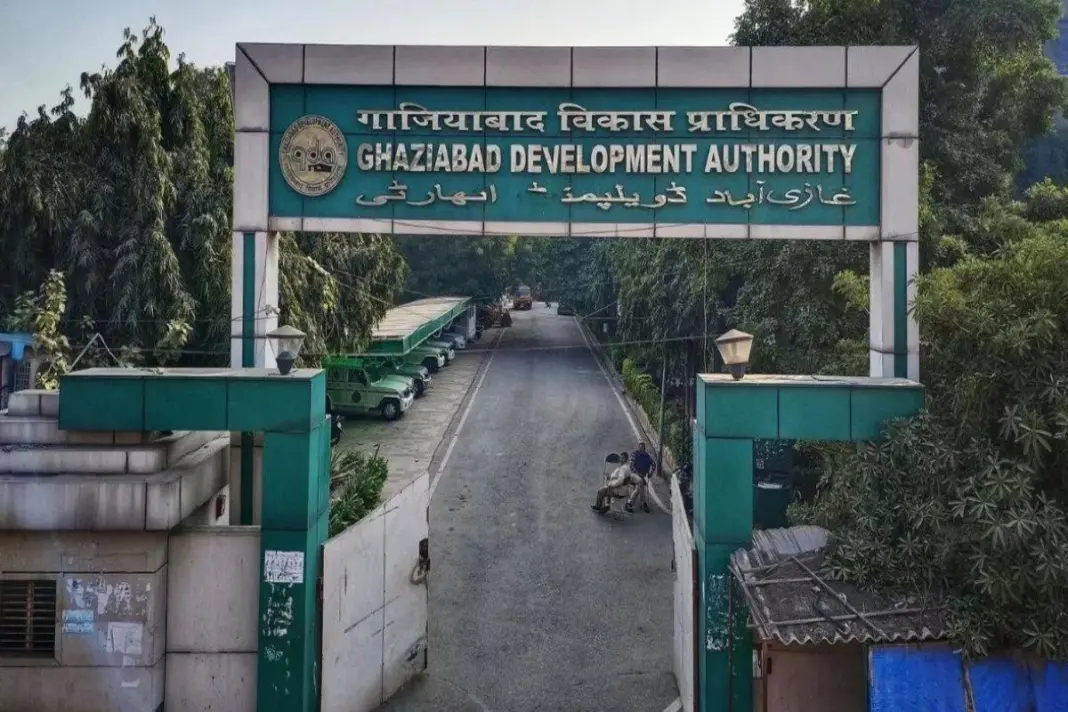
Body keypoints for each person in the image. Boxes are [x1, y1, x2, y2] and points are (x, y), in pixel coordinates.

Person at [628, 442, 656, 513]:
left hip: (642, 476)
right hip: (633, 475)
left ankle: (630, 503)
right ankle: (643, 503)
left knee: (639, 487)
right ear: (638, 448)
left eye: (643, 448)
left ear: (644, 448)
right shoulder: (634, 454)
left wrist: (651, 473)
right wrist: (638, 473)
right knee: (641, 482)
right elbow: (631, 466)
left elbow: (654, 464)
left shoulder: (647, 456)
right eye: (640, 447)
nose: (642, 449)